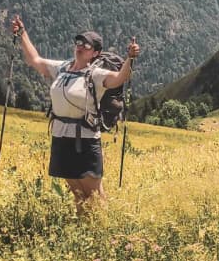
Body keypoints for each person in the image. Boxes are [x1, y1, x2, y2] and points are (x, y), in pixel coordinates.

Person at [9, 14, 140, 212]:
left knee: (94, 194)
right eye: (78, 42)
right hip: (61, 137)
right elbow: (35, 60)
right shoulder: (62, 68)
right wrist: (23, 33)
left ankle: (103, 232)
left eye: (86, 46)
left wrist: (130, 58)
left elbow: (120, 78)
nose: (80, 47)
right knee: (77, 193)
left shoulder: (95, 75)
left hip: (85, 140)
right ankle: (82, 230)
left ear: (95, 53)